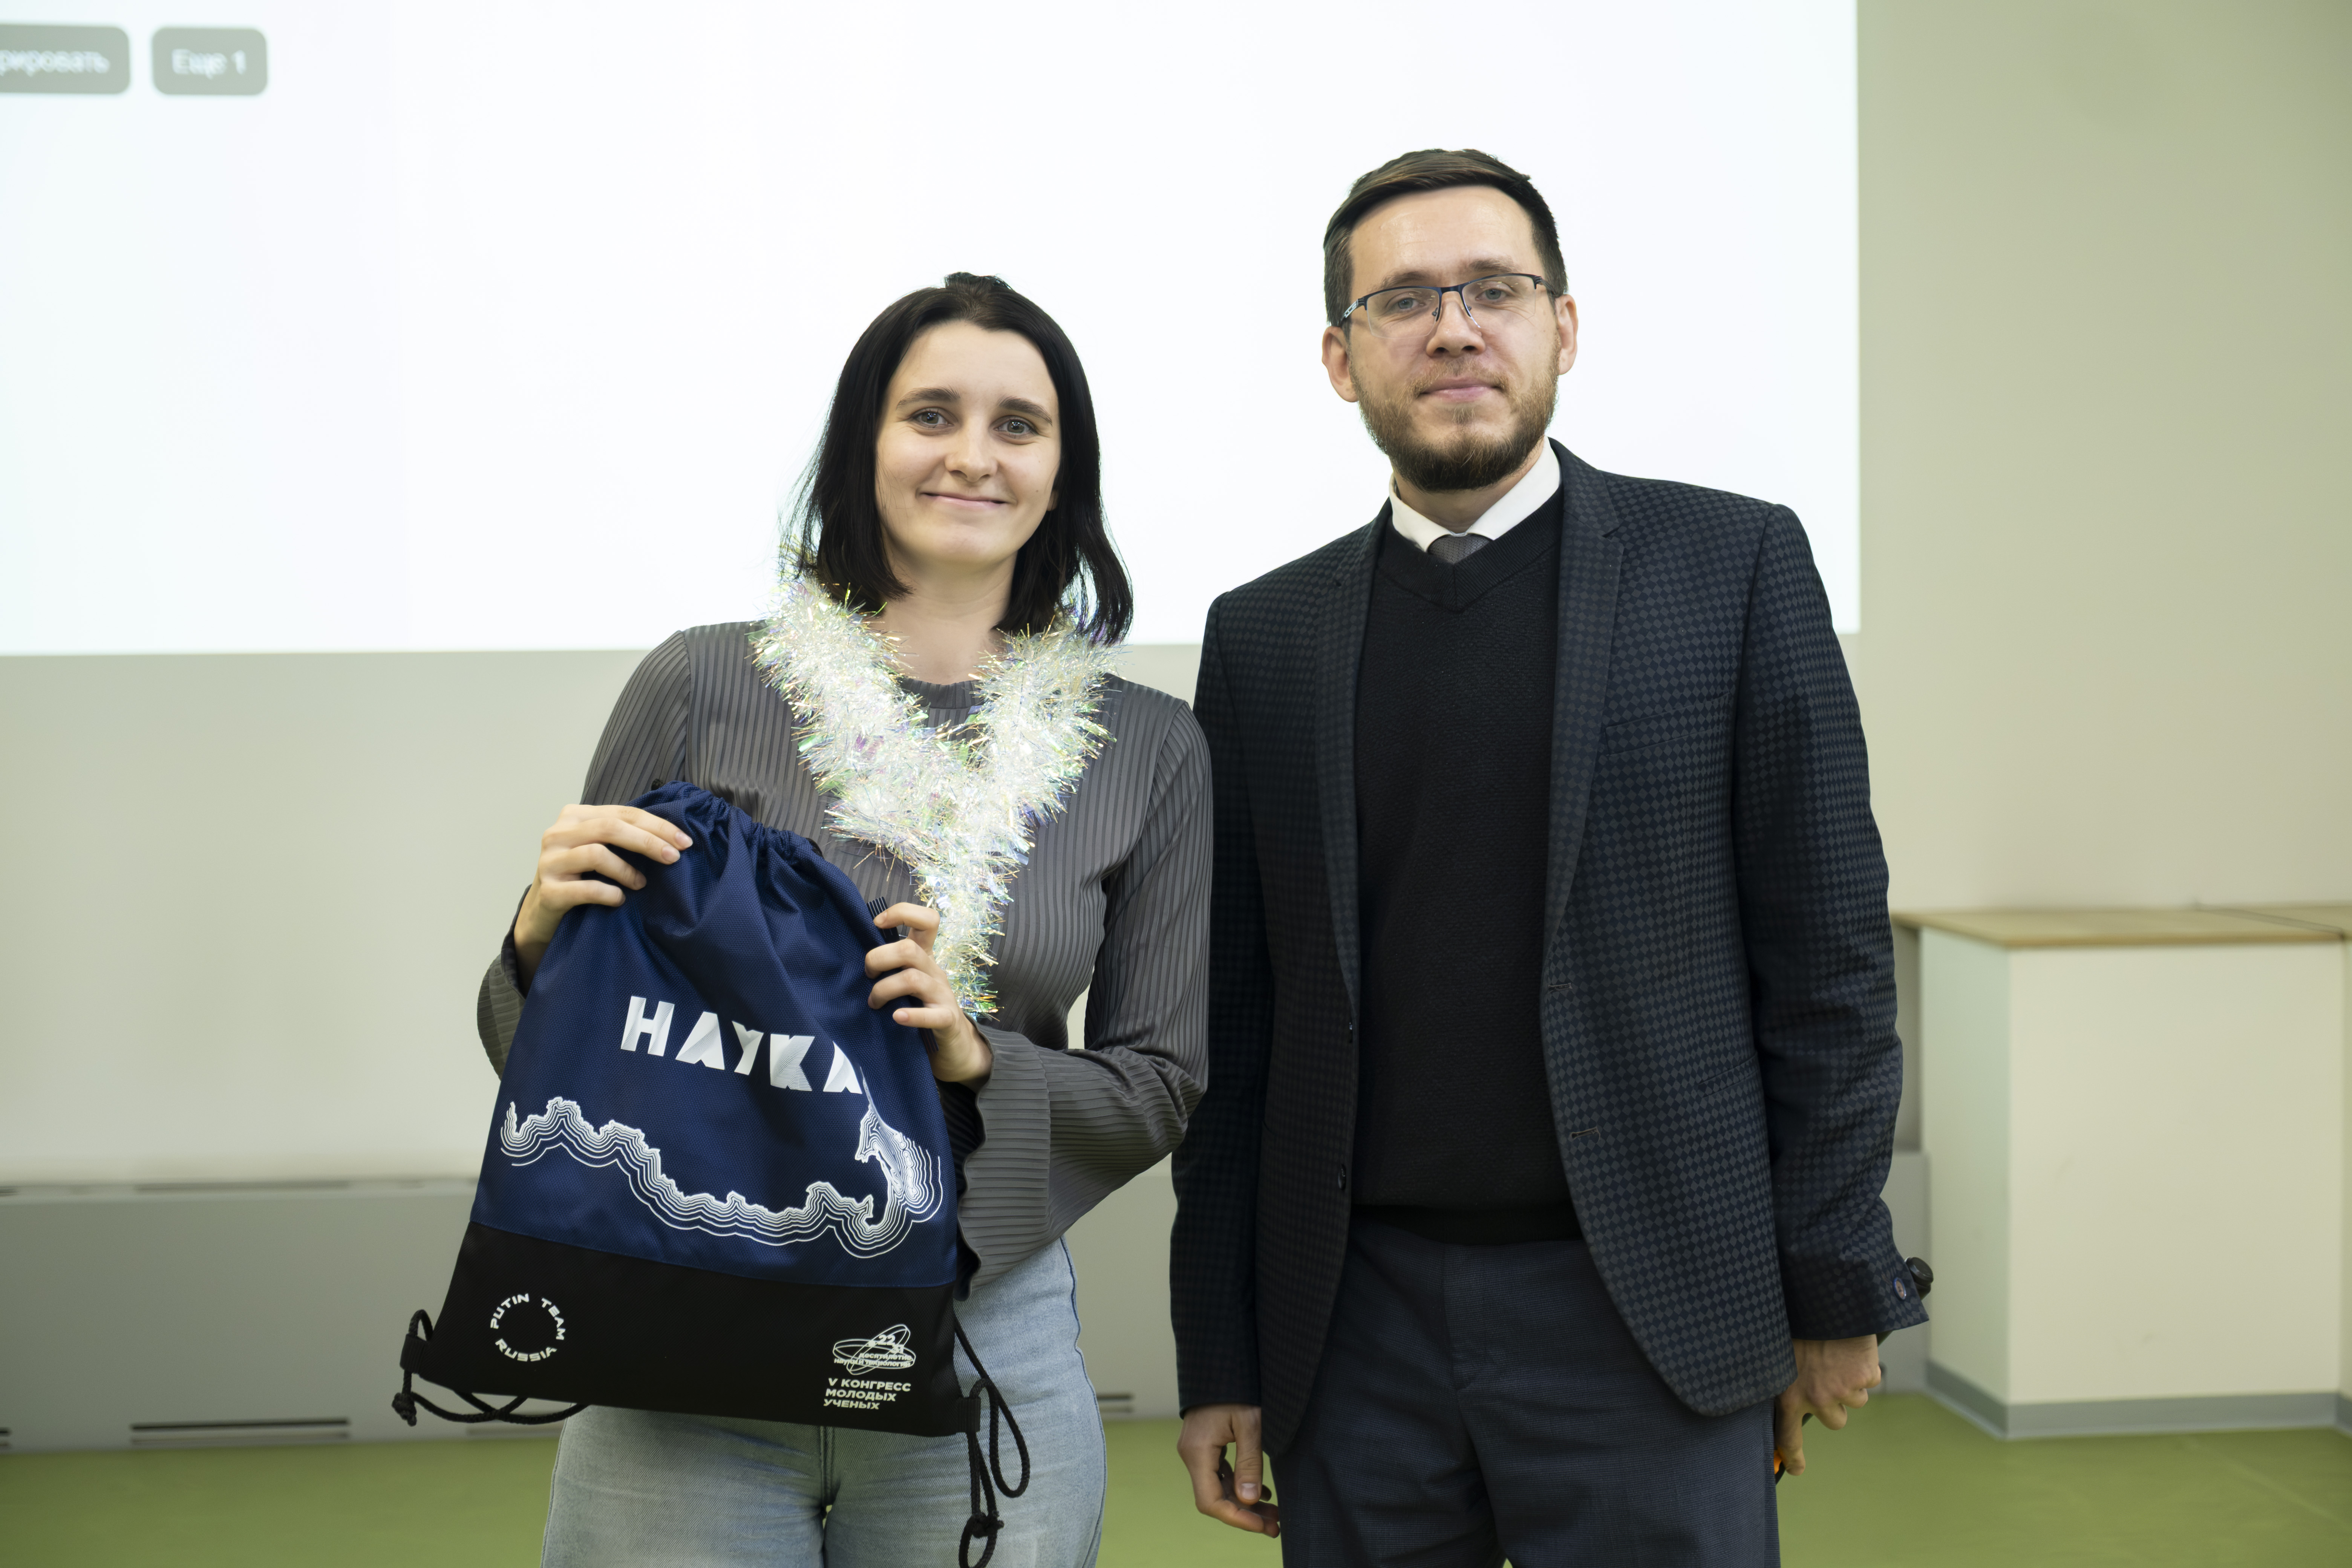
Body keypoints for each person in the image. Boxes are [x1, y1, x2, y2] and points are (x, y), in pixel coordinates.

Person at [1168, 149, 1925, 1565]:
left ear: (1562, 328)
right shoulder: (1265, 637)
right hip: (1355, 1329)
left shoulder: (1732, 567)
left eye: (1496, 291)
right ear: (1340, 359)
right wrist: (1222, 1347)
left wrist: (1832, 1281)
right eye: (1403, 301)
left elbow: (1828, 961)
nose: (1454, 329)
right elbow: (1240, 1027)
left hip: (1653, 1311)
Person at [474, 273, 1210, 1566]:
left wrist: (975, 1059)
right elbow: (554, 1046)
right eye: (930, 415)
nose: (972, 455)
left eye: (1019, 425)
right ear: (863, 445)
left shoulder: (1149, 748)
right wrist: (539, 938)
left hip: (983, 1339)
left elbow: (1160, 1084)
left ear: (1063, 472)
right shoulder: (701, 682)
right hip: (687, 1319)